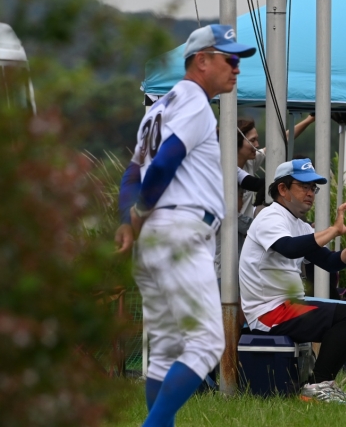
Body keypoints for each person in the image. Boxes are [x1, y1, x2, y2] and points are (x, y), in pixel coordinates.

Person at [113, 24, 256, 426]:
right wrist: (141, 212)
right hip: (181, 228)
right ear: (201, 61)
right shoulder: (194, 101)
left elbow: (132, 174)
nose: (237, 68)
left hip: (155, 237)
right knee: (207, 342)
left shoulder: (158, 109)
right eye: (230, 59)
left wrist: (128, 221)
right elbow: (164, 164)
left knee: (164, 351)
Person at [238, 158, 346, 404]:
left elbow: (329, 262)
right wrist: (333, 230)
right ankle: (317, 386)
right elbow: (289, 248)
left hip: (287, 306)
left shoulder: (299, 224)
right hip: (268, 312)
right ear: (283, 189)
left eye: (313, 188)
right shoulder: (270, 217)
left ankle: (323, 384)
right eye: (304, 186)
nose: (310, 193)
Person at [237, 114, 315, 218]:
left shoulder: (250, 161)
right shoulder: (225, 169)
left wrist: (309, 120)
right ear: (236, 142)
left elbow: (281, 141)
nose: (257, 145)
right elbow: (256, 184)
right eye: (252, 140)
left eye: (257, 139)